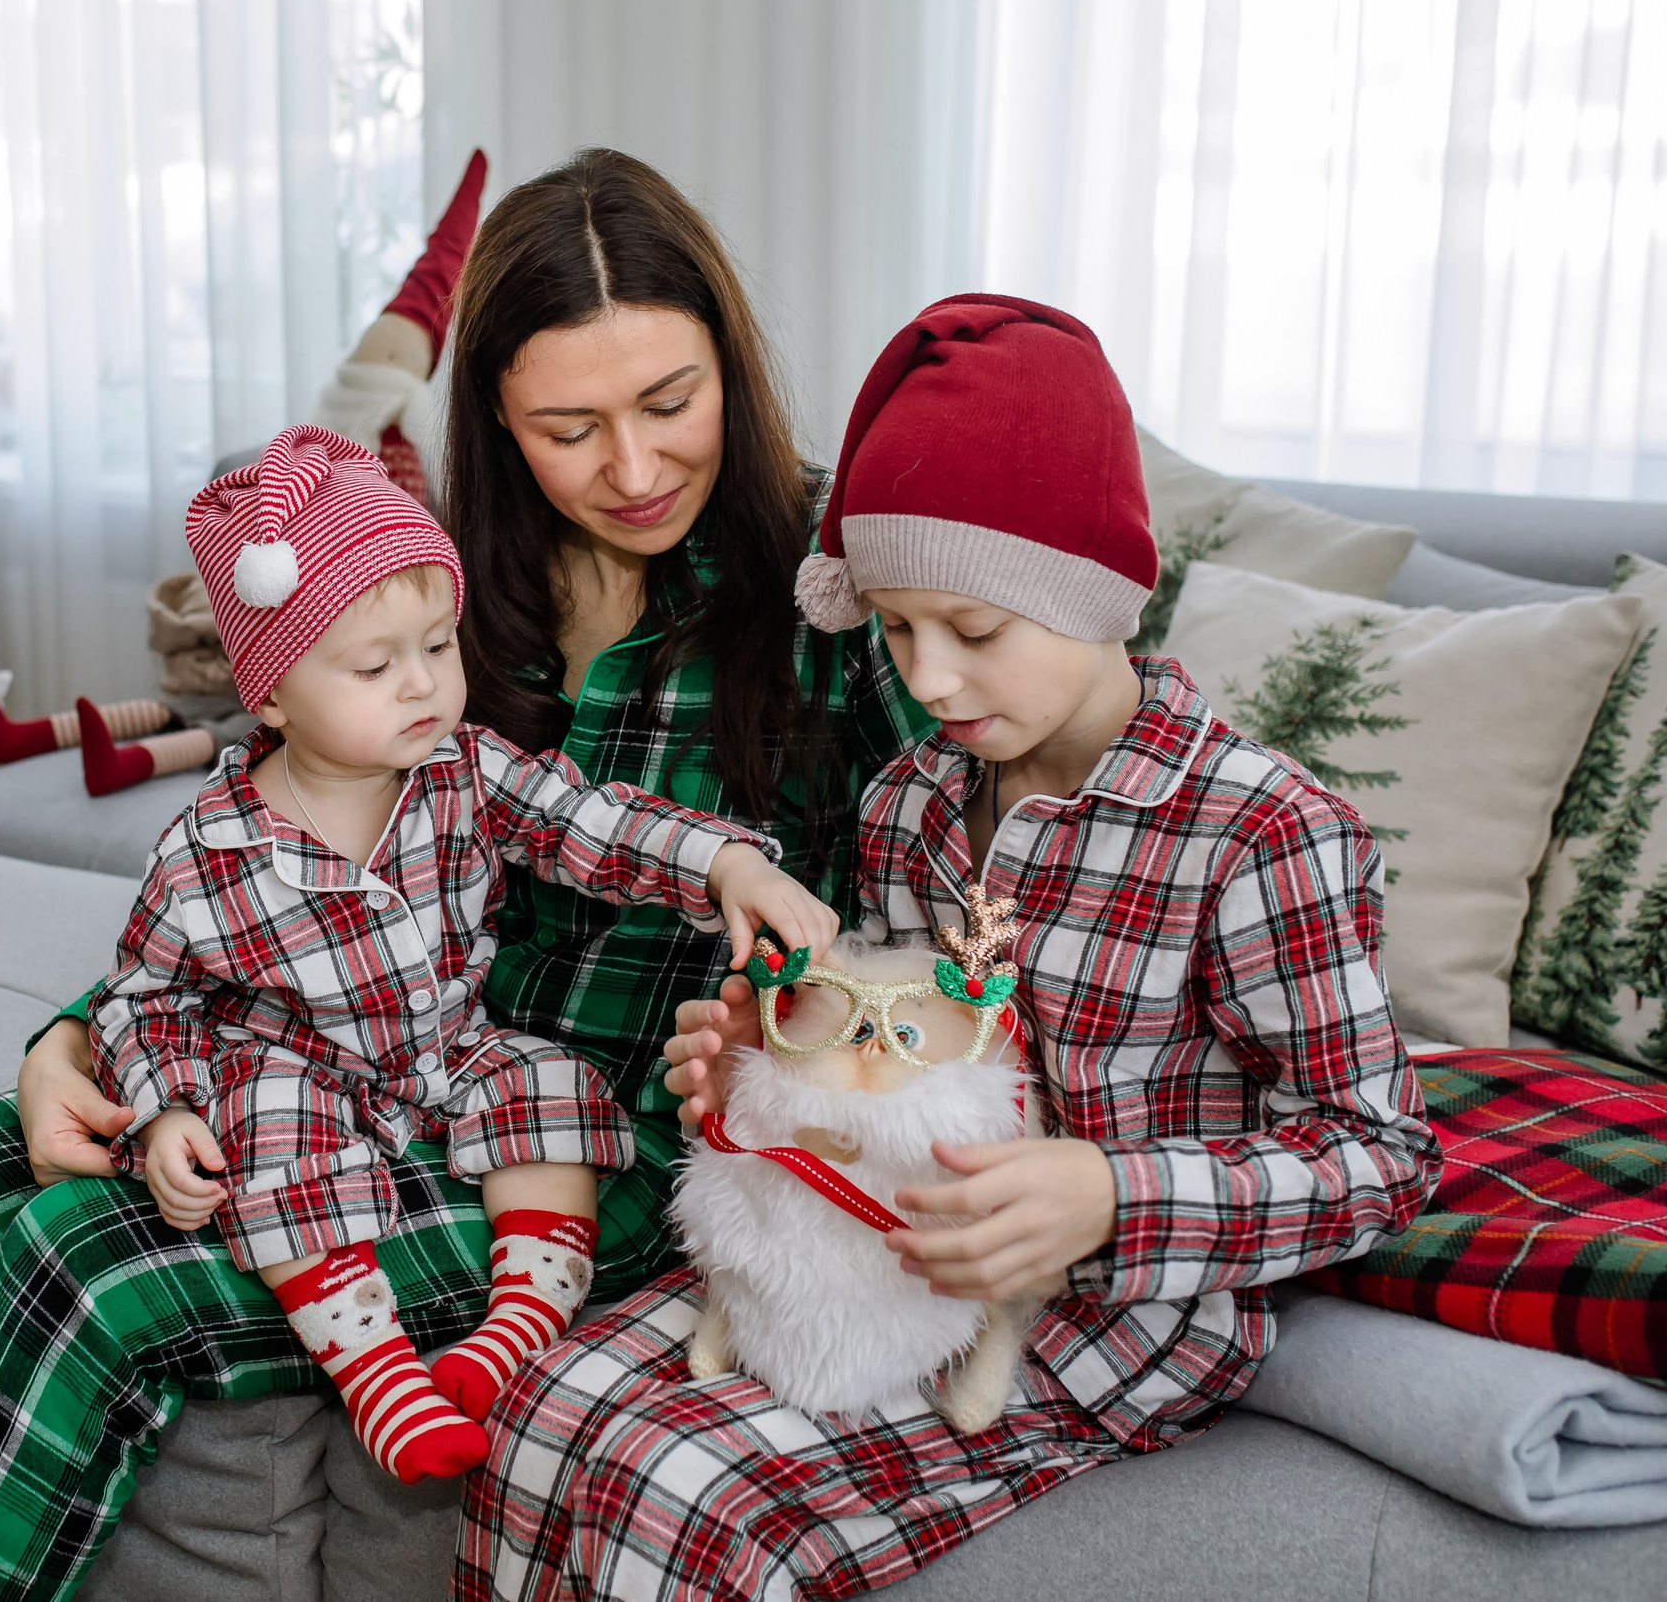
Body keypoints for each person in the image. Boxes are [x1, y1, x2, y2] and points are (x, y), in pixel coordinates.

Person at [0, 149, 936, 1602]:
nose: (633, 468)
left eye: (671, 403)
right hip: (365, 1067)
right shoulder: (433, 592)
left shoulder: (837, 596)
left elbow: (952, 926)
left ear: (729, 363)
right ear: (497, 422)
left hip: (589, 1138)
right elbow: (279, 863)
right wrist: (73, 1044)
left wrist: (795, 1018)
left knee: (81, 1271)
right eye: (569, 428)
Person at [456, 295, 1443, 1600]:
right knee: (544, 1402)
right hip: (865, 1256)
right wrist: (769, 1052)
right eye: (897, 628)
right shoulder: (911, 799)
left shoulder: (1260, 832)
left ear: (1099, 590)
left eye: (974, 633)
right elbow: (887, 1048)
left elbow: (1382, 1154)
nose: (927, 678)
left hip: (1106, 1323)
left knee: (679, 1484)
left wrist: (1110, 1195)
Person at [96, 423, 834, 1486]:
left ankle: (518, 1323)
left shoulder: (463, 770)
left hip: (452, 1049)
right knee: (267, 1131)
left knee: (553, 1086)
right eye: (374, 666)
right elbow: (141, 1000)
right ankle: (375, 1373)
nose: (423, 687)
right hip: (300, 1074)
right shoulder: (207, 852)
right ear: (270, 694)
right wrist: (165, 1110)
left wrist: (723, 863)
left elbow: (589, 820)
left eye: (438, 648)